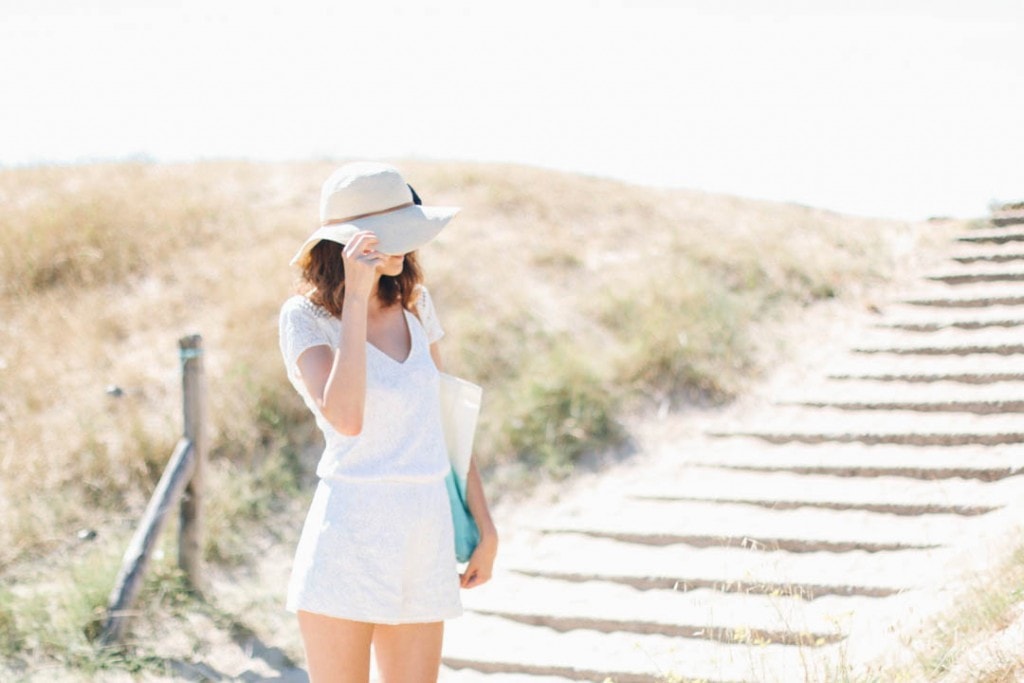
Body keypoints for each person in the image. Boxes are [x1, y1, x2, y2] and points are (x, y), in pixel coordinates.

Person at [277, 162, 498, 682]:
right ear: (346, 243)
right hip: (349, 536)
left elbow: (446, 423)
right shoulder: (303, 318)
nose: (405, 244)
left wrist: (485, 525)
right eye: (389, 232)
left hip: (424, 533)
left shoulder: (417, 304)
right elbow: (346, 417)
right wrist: (356, 299)